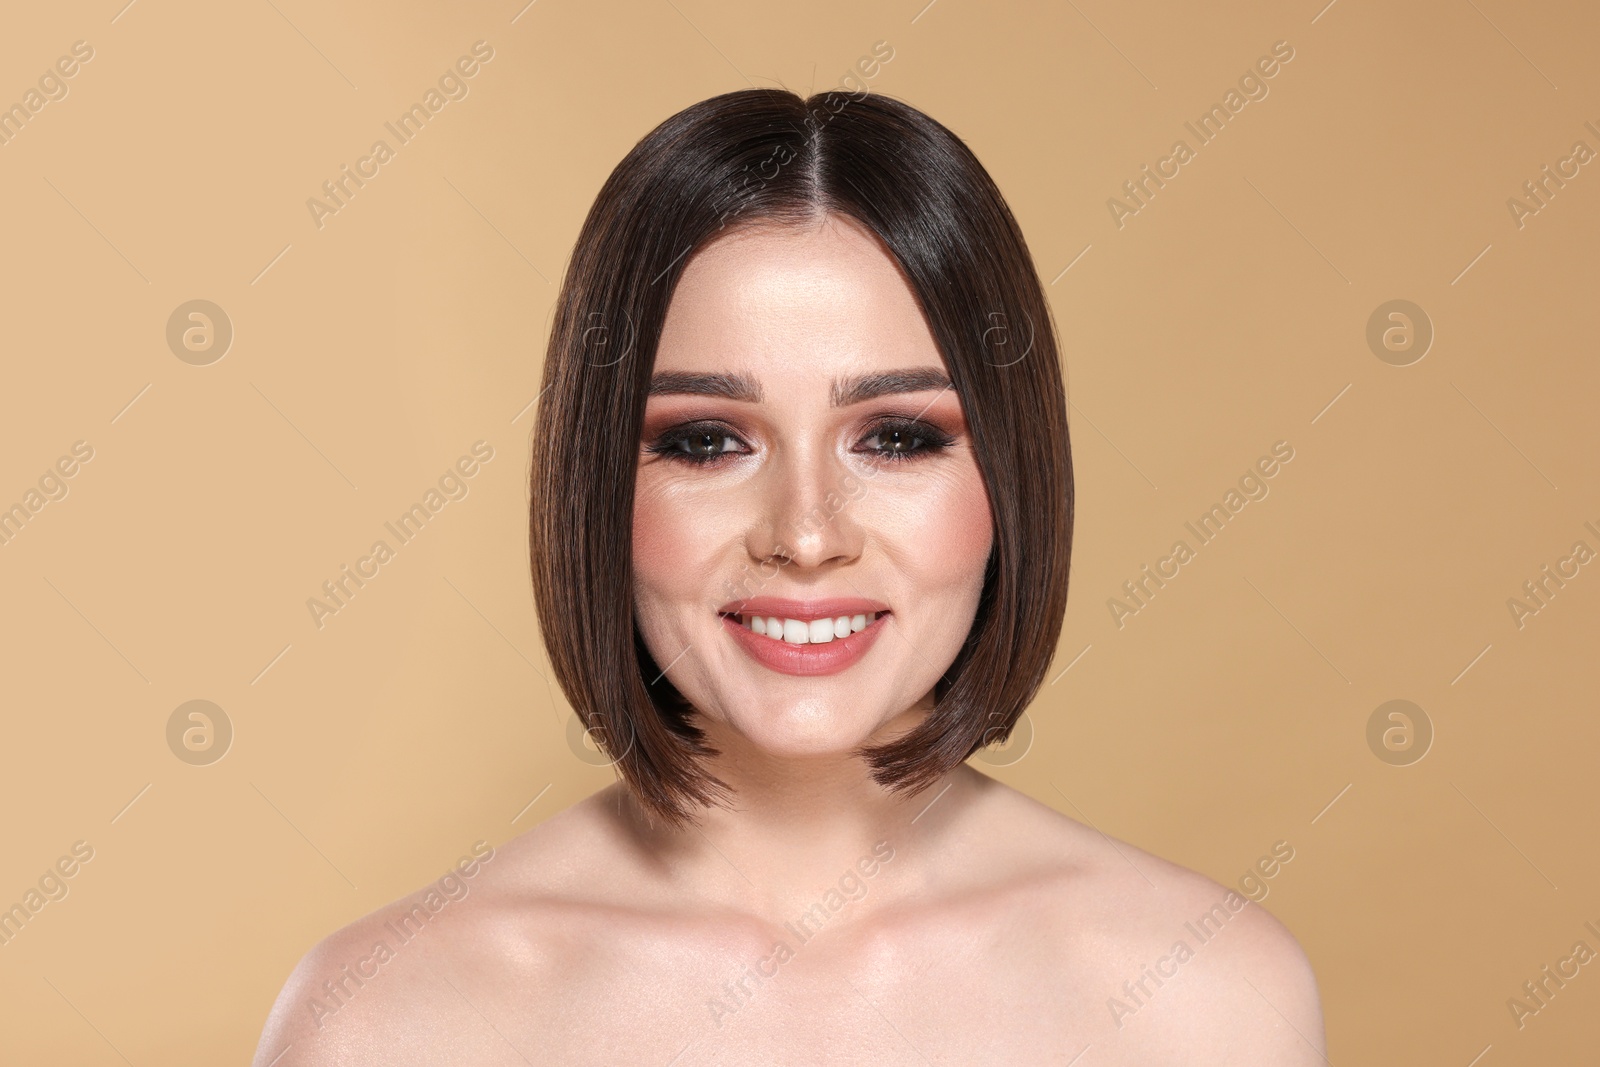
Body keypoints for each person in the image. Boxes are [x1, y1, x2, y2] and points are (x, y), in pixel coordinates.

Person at [255, 87, 1325, 1065]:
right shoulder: (382, 1018)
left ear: (1012, 472)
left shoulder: (1207, 999)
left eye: (898, 437)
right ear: (595, 486)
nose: (805, 535)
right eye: (708, 440)